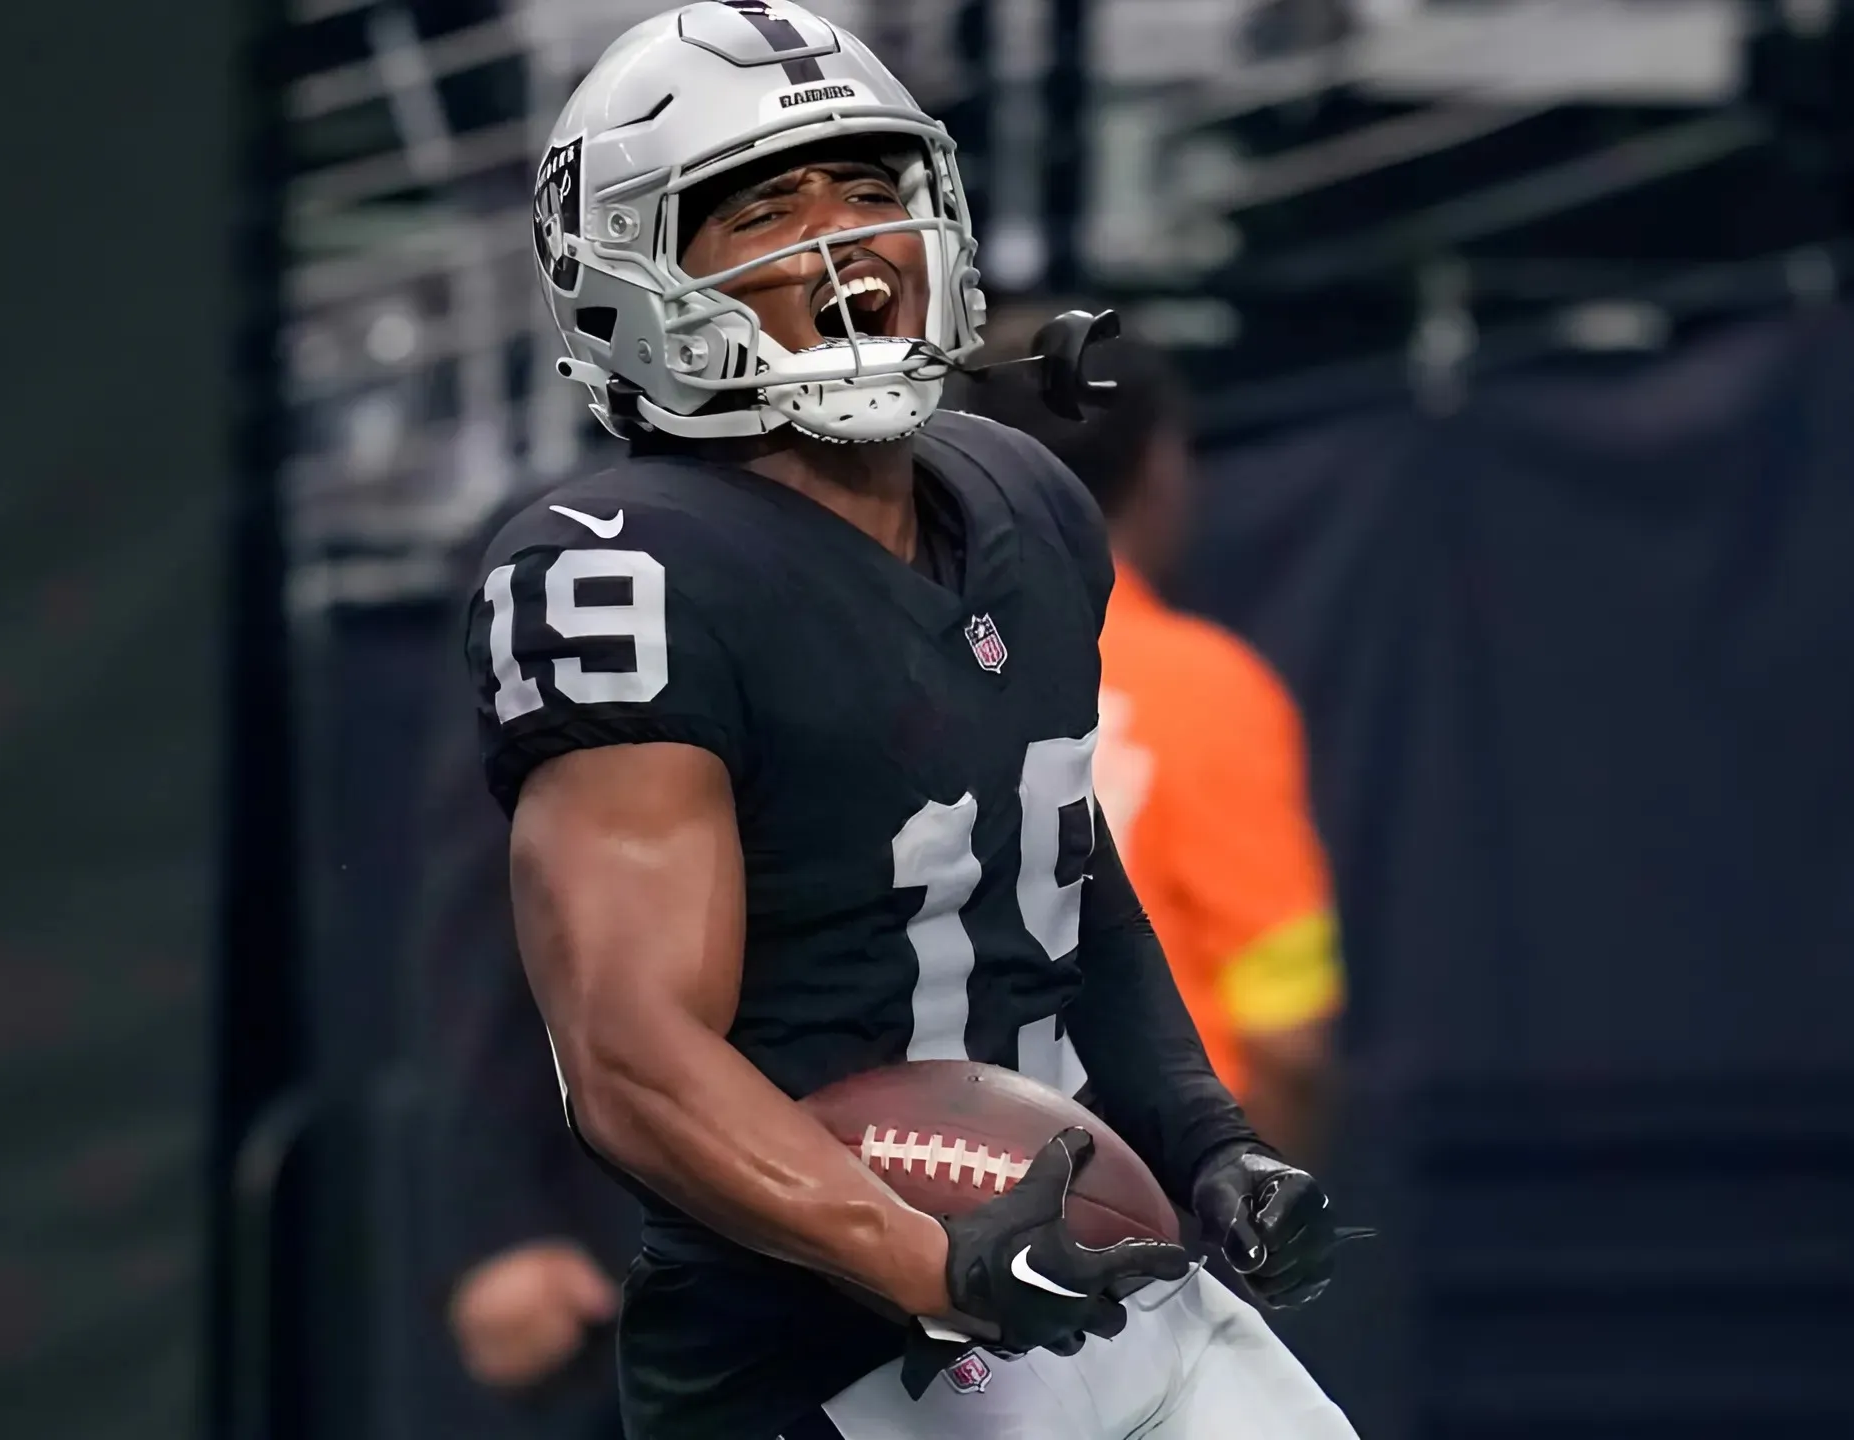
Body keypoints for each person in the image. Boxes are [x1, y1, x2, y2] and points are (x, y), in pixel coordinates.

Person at [463, 6, 1362, 1437]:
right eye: (767, 208)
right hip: (834, 1365)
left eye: (874, 190)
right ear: (634, 279)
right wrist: (932, 1258)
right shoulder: (617, 569)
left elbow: (1061, 873)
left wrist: (1203, 1142)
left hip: (1102, 1284)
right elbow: (629, 1054)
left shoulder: (1025, 498)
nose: (847, 243)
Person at [949, 312, 1344, 1162]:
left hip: (920, 1186)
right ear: (1160, 467)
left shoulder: (893, 659)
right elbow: (1287, 1031)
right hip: (1156, 1194)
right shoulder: (1207, 689)